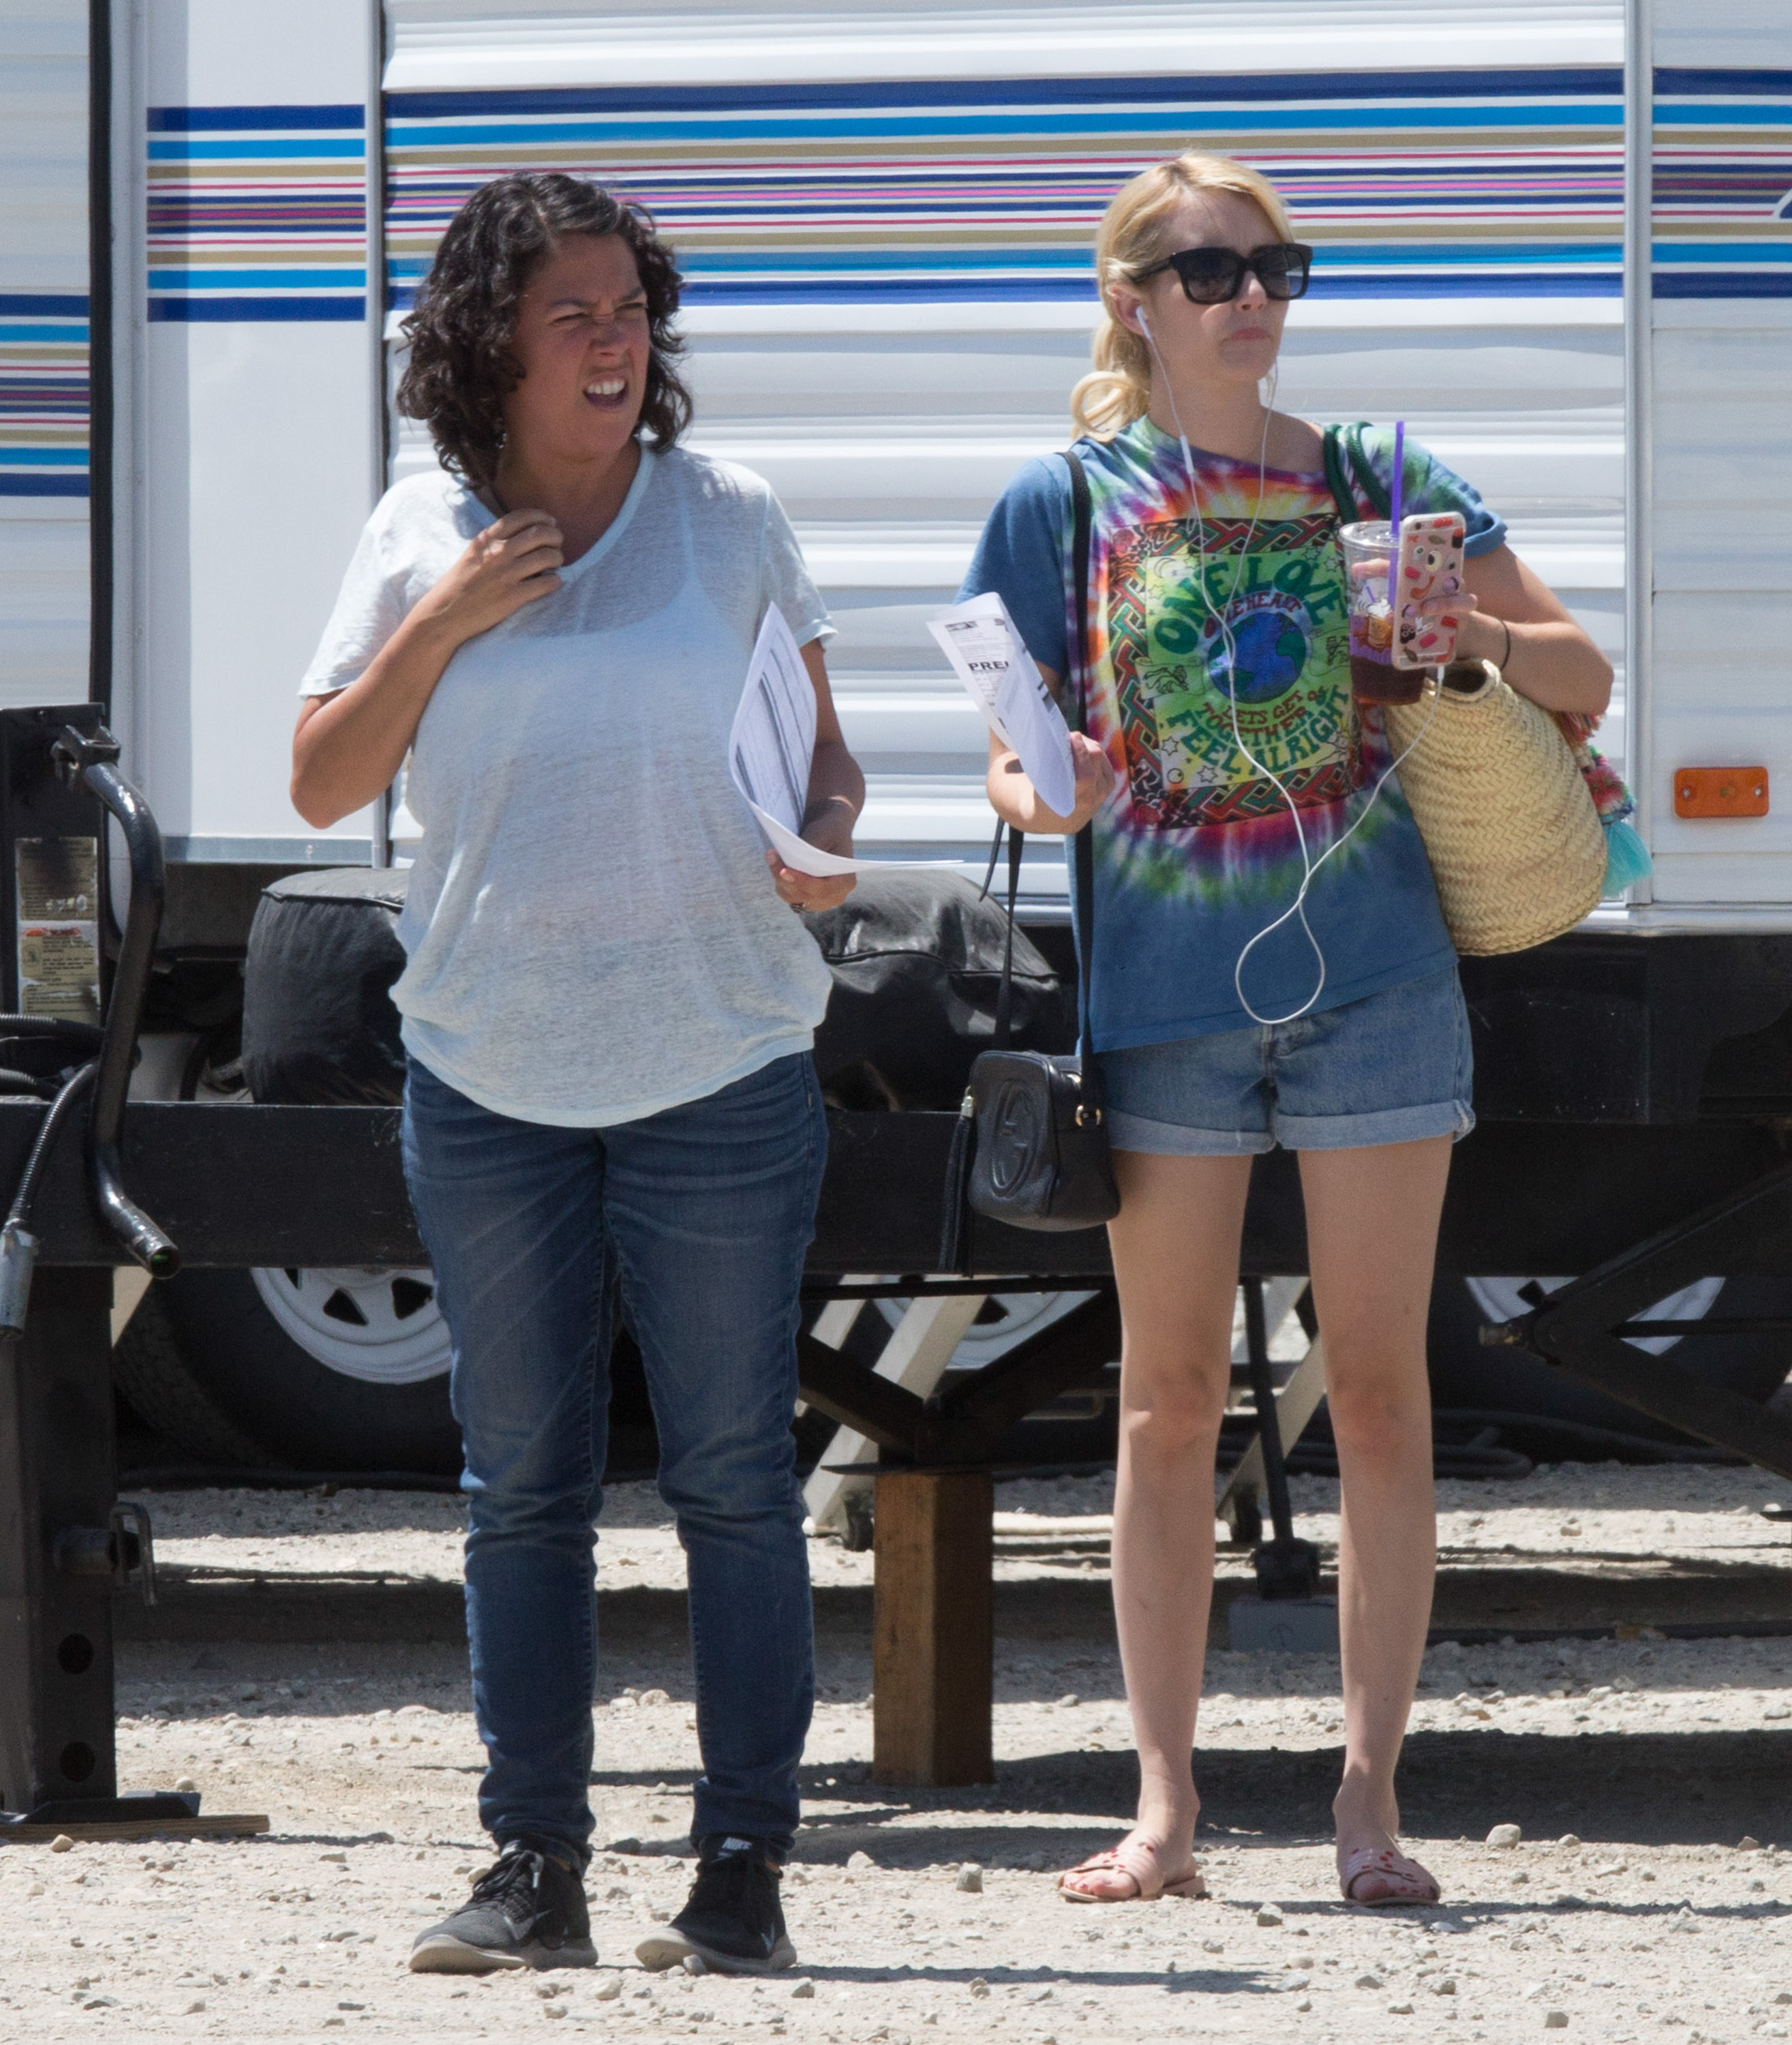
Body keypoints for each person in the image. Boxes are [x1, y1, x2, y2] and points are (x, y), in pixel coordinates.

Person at [960, 151, 1611, 1908]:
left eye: (1277, 268)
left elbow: (1583, 675)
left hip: (1376, 984)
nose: (1251, 296)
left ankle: (1369, 1805)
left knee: (1383, 1395)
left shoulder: (1379, 475)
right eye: (1211, 271)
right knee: (1166, 1406)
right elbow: (1012, 754)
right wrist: (1046, 787)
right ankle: (1163, 1812)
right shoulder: (1061, 504)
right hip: (1166, 1005)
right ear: (1132, 300)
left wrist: (1462, 628)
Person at [290, 172, 862, 1975]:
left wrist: (826, 844)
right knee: (522, 1491)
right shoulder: (416, 534)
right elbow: (321, 780)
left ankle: (743, 1869)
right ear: (493, 343)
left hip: (721, 1055)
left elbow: (827, 764)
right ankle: (532, 1867)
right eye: (575, 315)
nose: (616, 343)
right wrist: (446, 615)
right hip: (489, 1069)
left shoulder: (730, 517)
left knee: (733, 1483)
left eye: (632, 311)